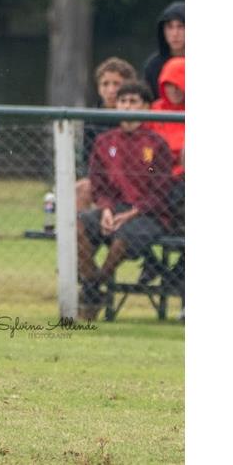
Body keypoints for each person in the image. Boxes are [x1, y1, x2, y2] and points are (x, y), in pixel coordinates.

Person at [76, 81, 176, 320]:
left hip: (148, 215)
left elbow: (161, 191)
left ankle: (92, 287)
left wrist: (133, 212)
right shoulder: (104, 142)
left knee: (123, 239)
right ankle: (94, 286)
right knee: (77, 226)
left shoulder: (156, 144)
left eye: (133, 101)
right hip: (113, 210)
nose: (127, 106)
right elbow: (98, 184)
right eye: (123, 101)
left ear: (146, 107)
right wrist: (107, 209)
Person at [76, 57, 140, 211]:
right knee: (80, 189)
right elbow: (88, 157)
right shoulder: (91, 118)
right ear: (98, 87)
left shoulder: (139, 117)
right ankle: (79, 231)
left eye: (116, 84)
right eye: (105, 84)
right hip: (101, 178)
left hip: (134, 180)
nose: (111, 90)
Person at [149, 56, 185, 176]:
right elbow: (145, 147)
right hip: (155, 173)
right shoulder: (154, 109)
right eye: (169, 85)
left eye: (179, 85)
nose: (174, 90)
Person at [141, 1, 184, 99]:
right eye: (170, 27)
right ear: (163, 30)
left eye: (180, 26)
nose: (175, 33)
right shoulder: (153, 66)